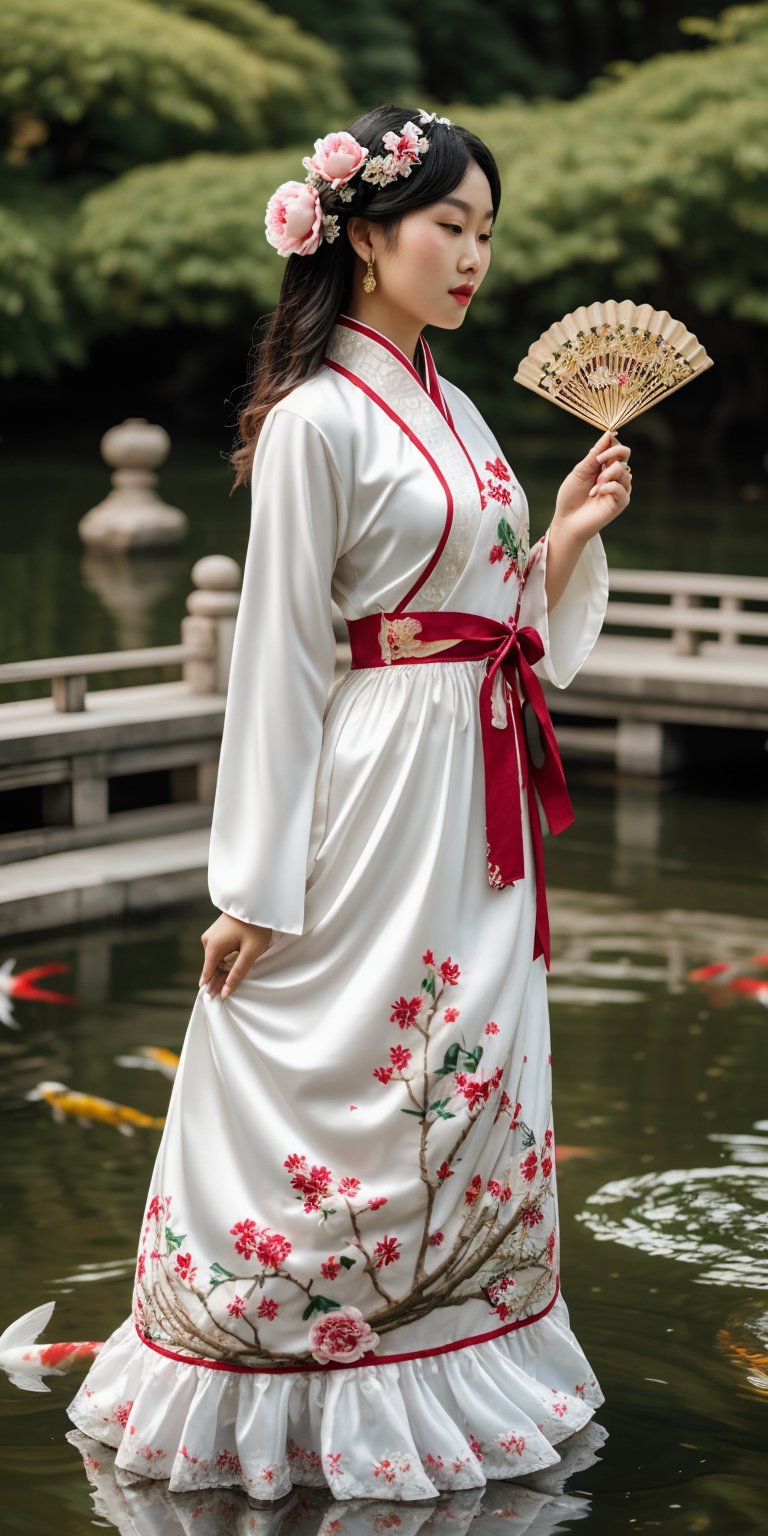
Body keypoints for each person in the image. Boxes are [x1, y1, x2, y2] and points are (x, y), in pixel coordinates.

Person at [68, 104, 632, 1503]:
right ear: (366, 235)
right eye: (451, 226)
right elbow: (275, 656)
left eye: (487, 234)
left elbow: (498, 618)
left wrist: (559, 536)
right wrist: (252, 887)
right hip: (380, 772)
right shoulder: (320, 418)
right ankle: (279, 1369)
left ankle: (454, 1354)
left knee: (469, 1058)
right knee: (339, 1047)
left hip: (477, 767)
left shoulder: (459, 404)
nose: (474, 257)